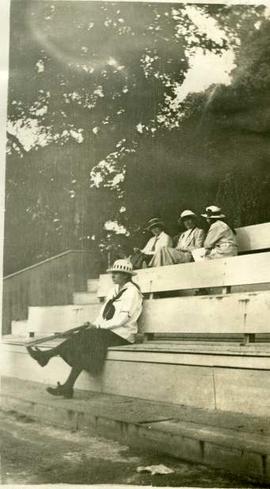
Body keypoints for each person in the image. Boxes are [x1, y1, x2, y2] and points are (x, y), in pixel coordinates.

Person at [26, 259, 143, 399]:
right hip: (107, 332)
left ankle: (47, 356)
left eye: (117, 273)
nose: (113, 275)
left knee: (85, 339)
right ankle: (67, 385)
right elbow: (103, 315)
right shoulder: (113, 291)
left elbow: (122, 319)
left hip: (122, 335)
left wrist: (97, 326)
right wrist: (93, 324)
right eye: (113, 272)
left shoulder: (132, 292)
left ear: (126, 275)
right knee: (83, 340)